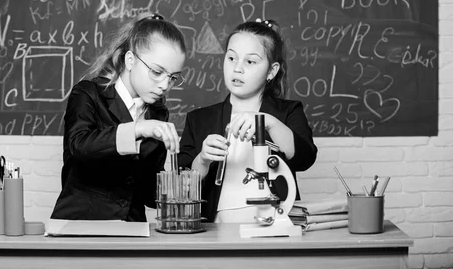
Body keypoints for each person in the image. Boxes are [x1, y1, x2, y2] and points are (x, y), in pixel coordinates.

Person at [51, 12, 187, 222]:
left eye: (173, 78)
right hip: (80, 226)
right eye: (157, 72)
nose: (164, 85)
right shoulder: (88, 94)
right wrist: (138, 129)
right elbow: (78, 146)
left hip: (132, 230)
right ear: (130, 60)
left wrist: (178, 186)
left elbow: (147, 194)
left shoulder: (157, 113)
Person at [178, 19, 317, 223]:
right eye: (232, 58)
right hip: (215, 232)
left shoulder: (287, 113)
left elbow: (305, 158)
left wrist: (267, 122)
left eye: (250, 61)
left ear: (271, 71)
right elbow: (181, 189)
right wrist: (202, 160)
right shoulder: (199, 120)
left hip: (276, 227)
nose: (237, 69)